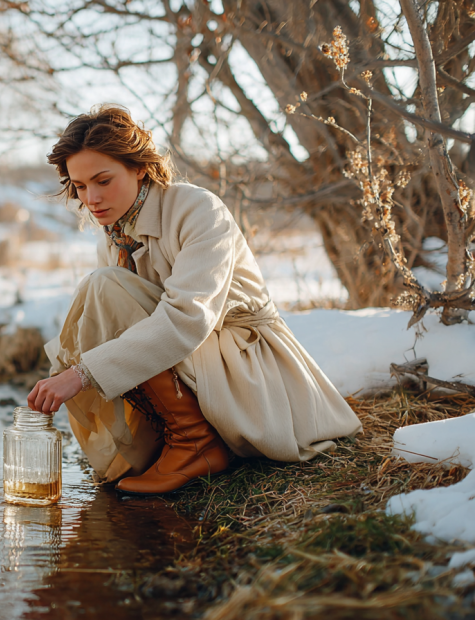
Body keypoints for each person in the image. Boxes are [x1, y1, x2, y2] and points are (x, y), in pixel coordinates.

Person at [26, 104, 362, 495]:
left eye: (102, 180)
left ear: (138, 167)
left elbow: (189, 319)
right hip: (190, 362)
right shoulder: (115, 230)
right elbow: (116, 318)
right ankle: (172, 435)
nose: (92, 198)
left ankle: (195, 443)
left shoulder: (198, 209)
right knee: (101, 290)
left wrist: (81, 373)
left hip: (239, 357)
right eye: (80, 187)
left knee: (103, 288)